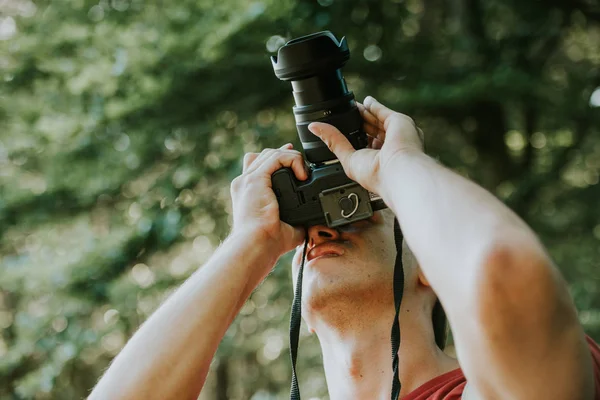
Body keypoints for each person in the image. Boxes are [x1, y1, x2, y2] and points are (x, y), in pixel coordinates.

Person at [89, 97, 600, 400]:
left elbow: (503, 272)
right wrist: (250, 245)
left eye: (360, 215)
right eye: (310, 228)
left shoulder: (489, 380)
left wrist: (396, 166)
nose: (326, 231)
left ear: (431, 268)